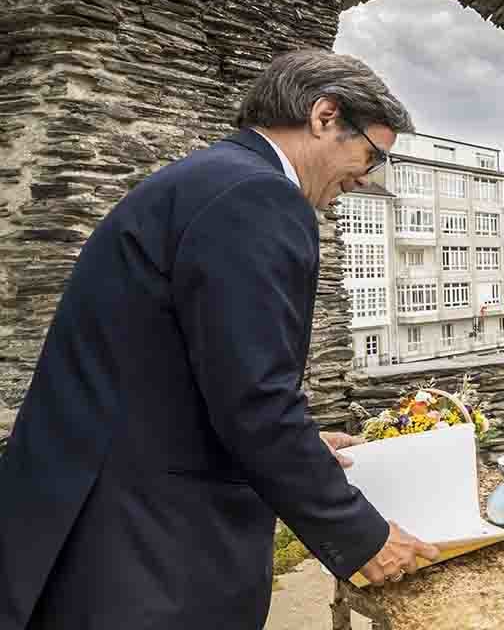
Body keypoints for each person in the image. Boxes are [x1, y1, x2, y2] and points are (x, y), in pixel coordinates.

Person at [0, 50, 439, 630]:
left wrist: (304, 443)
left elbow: (196, 370)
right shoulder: (257, 198)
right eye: (372, 155)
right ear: (325, 116)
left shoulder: (210, 180)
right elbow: (255, 400)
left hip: (97, 516)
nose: (366, 177)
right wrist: (363, 536)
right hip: (143, 546)